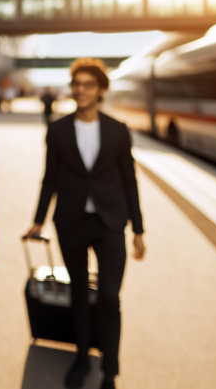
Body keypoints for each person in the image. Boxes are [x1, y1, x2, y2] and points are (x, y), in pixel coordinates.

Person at [23, 58, 146, 389]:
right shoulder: (58, 129)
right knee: (78, 292)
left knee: (109, 297)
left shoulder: (118, 130)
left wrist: (138, 229)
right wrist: (38, 221)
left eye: (88, 84)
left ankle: (109, 370)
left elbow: (129, 180)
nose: (80, 90)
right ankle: (81, 356)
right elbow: (49, 178)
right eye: (76, 84)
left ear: (101, 90)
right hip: (71, 221)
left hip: (110, 223)